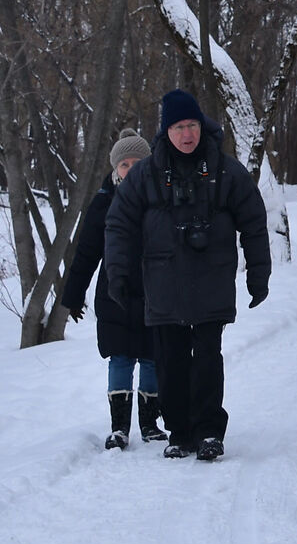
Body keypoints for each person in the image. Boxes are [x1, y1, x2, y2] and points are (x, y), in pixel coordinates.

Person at [104, 90, 271, 462]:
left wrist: (258, 273)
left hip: (211, 281)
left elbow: (254, 221)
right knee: (171, 360)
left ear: (201, 126)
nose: (187, 134)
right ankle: (180, 432)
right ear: (167, 131)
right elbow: (118, 224)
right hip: (163, 285)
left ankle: (210, 431)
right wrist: (118, 273)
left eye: (192, 125)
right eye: (179, 127)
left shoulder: (225, 169)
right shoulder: (146, 173)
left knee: (208, 358)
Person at [62, 131, 163, 449]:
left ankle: (150, 425)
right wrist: (74, 294)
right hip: (114, 294)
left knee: (151, 358)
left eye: (138, 163)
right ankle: (119, 427)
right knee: (119, 358)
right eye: (124, 164)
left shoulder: (161, 199)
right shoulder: (103, 202)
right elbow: (86, 252)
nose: (130, 169)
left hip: (155, 293)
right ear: (115, 168)